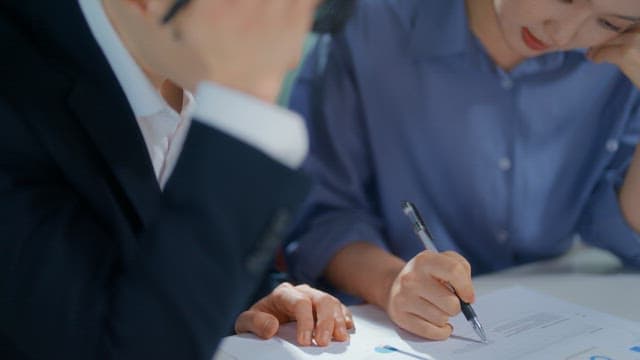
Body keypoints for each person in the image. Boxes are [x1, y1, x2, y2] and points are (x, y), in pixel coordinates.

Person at [0, 0, 355, 359]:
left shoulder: (176, 63)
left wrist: (244, 300)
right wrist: (246, 98)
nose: (287, 49)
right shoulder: (16, 97)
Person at [287, 0, 640, 342]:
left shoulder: (621, 59)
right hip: (388, 322)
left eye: (609, 22)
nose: (562, 35)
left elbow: (623, 233)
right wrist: (393, 283)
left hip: (559, 312)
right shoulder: (369, 24)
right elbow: (322, 217)